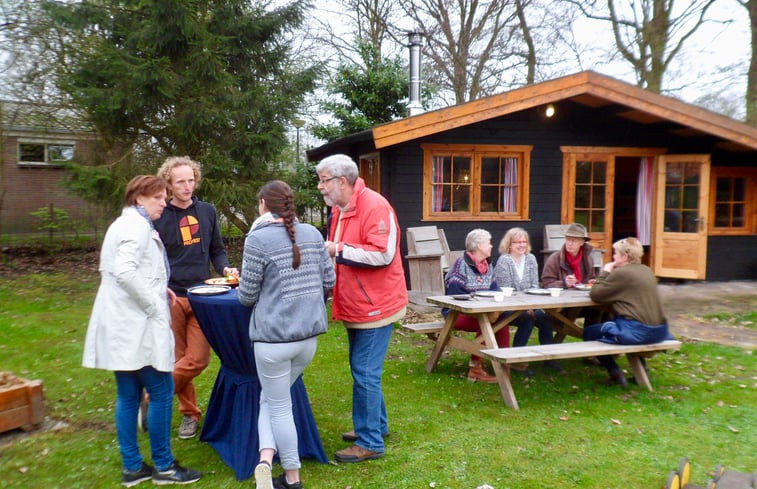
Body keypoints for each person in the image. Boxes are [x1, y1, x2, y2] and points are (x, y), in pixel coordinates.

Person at [82, 175, 202, 486]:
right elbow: (124, 272)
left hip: (123, 321)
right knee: (161, 391)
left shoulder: (124, 225)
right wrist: (153, 304)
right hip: (136, 324)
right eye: (158, 198)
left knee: (128, 394)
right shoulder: (135, 227)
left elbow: (131, 272)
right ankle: (164, 466)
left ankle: (133, 467)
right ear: (139, 199)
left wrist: (161, 291)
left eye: (164, 197)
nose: (164, 203)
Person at [238, 181, 335, 489]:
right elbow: (329, 280)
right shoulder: (313, 234)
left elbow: (246, 296)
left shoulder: (258, 239)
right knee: (271, 399)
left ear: (264, 205)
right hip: (307, 340)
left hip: (272, 342)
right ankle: (265, 463)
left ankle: (292, 479)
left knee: (278, 406)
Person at [315, 154, 408, 464]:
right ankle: (375, 427)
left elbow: (383, 254)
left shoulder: (375, 206)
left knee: (365, 372)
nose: (320, 187)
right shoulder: (340, 209)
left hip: (376, 306)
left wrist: (337, 250)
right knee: (363, 370)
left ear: (343, 181)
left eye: (324, 180)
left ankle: (369, 442)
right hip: (356, 304)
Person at [153, 156, 239, 440]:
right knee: (180, 358)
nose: (187, 186)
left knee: (198, 359)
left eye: (191, 180)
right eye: (180, 182)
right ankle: (189, 415)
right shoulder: (160, 216)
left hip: (203, 295)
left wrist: (224, 267)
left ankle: (153, 397)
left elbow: (217, 249)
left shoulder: (207, 211)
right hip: (172, 297)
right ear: (169, 183)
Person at [583, 237, 674, 388]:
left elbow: (596, 295)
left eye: (616, 254)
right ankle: (642, 371)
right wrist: (608, 280)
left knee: (589, 333)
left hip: (637, 332)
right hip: (659, 331)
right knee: (615, 323)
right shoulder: (646, 270)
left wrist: (605, 272)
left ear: (625, 257)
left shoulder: (623, 273)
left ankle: (615, 373)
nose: (613, 257)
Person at [444, 229, 511, 383]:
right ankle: (475, 368)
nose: (491, 246)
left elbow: (495, 289)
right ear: (479, 246)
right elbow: (454, 299)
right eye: (489, 243)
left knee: (501, 320)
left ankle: (503, 364)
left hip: (480, 312)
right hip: (456, 314)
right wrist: (480, 303)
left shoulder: (487, 265)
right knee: (488, 320)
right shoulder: (460, 266)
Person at [493, 227, 562, 374]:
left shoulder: (530, 259)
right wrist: (525, 308)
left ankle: (549, 359)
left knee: (544, 318)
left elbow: (534, 286)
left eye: (524, 242)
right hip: (506, 306)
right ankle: (517, 362)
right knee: (527, 319)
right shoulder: (504, 261)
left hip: (529, 303)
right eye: (518, 242)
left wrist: (531, 305)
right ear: (509, 244)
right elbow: (506, 290)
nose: (522, 245)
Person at [541, 222, 604, 327]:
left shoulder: (587, 258)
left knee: (602, 309)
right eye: (568, 240)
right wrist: (564, 282)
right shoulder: (555, 259)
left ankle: (591, 340)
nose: (569, 243)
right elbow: (546, 283)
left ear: (582, 242)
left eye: (573, 241)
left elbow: (591, 278)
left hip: (582, 302)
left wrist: (592, 282)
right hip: (562, 306)